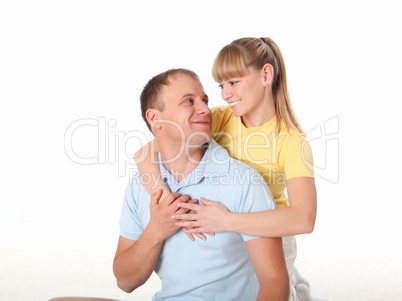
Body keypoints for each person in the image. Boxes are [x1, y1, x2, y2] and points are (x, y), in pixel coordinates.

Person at [134, 38, 318, 301]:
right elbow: (144, 153)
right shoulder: (220, 118)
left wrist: (226, 221)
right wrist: (166, 201)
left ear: (266, 75)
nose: (224, 94)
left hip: (266, 236)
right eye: (221, 85)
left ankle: (295, 290)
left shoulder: (290, 141)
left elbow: (304, 219)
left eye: (233, 83)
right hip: (221, 232)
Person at [114, 68, 289, 300]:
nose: (206, 109)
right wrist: (156, 230)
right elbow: (125, 281)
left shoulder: (244, 181)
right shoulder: (141, 186)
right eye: (189, 101)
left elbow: (274, 280)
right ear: (155, 118)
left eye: (205, 100)